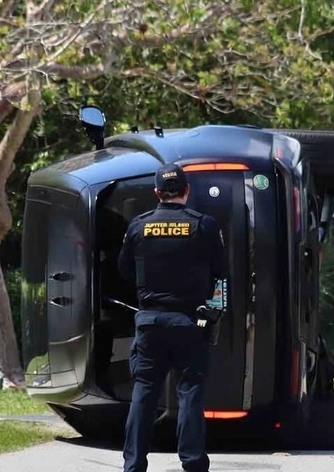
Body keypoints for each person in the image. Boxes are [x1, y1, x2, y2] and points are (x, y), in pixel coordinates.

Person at [118, 163, 225, 472]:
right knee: (190, 391)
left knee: (144, 392)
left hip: (150, 321)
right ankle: (192, 463)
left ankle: (134, 464)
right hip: (190, 322)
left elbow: (124, 270)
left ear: (157, 193)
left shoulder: (138, 226)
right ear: (187, 190)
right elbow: (221, 273)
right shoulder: (203, 225)